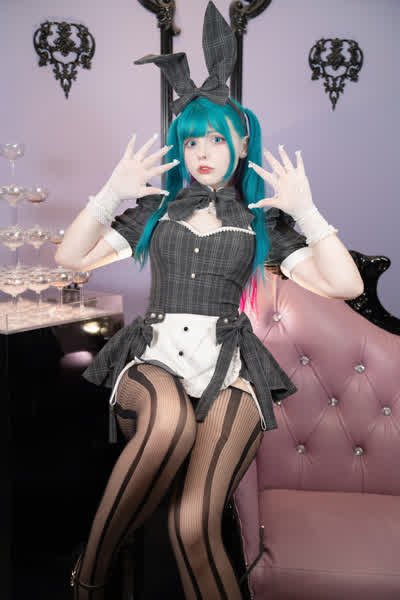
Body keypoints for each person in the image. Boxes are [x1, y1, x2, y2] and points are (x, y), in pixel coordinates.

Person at [56, 3, 364, 599]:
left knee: (192, 526)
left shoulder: (262, 222)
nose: (202, 151)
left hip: (231, 368)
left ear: (242, 143)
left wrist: (307, 212)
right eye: (191, 139)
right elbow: (72, 257)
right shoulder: (155, 210)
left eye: (217, 139)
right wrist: (111, 192)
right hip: (154, 358)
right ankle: (89, 578)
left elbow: (345, 285)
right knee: (167, 424)